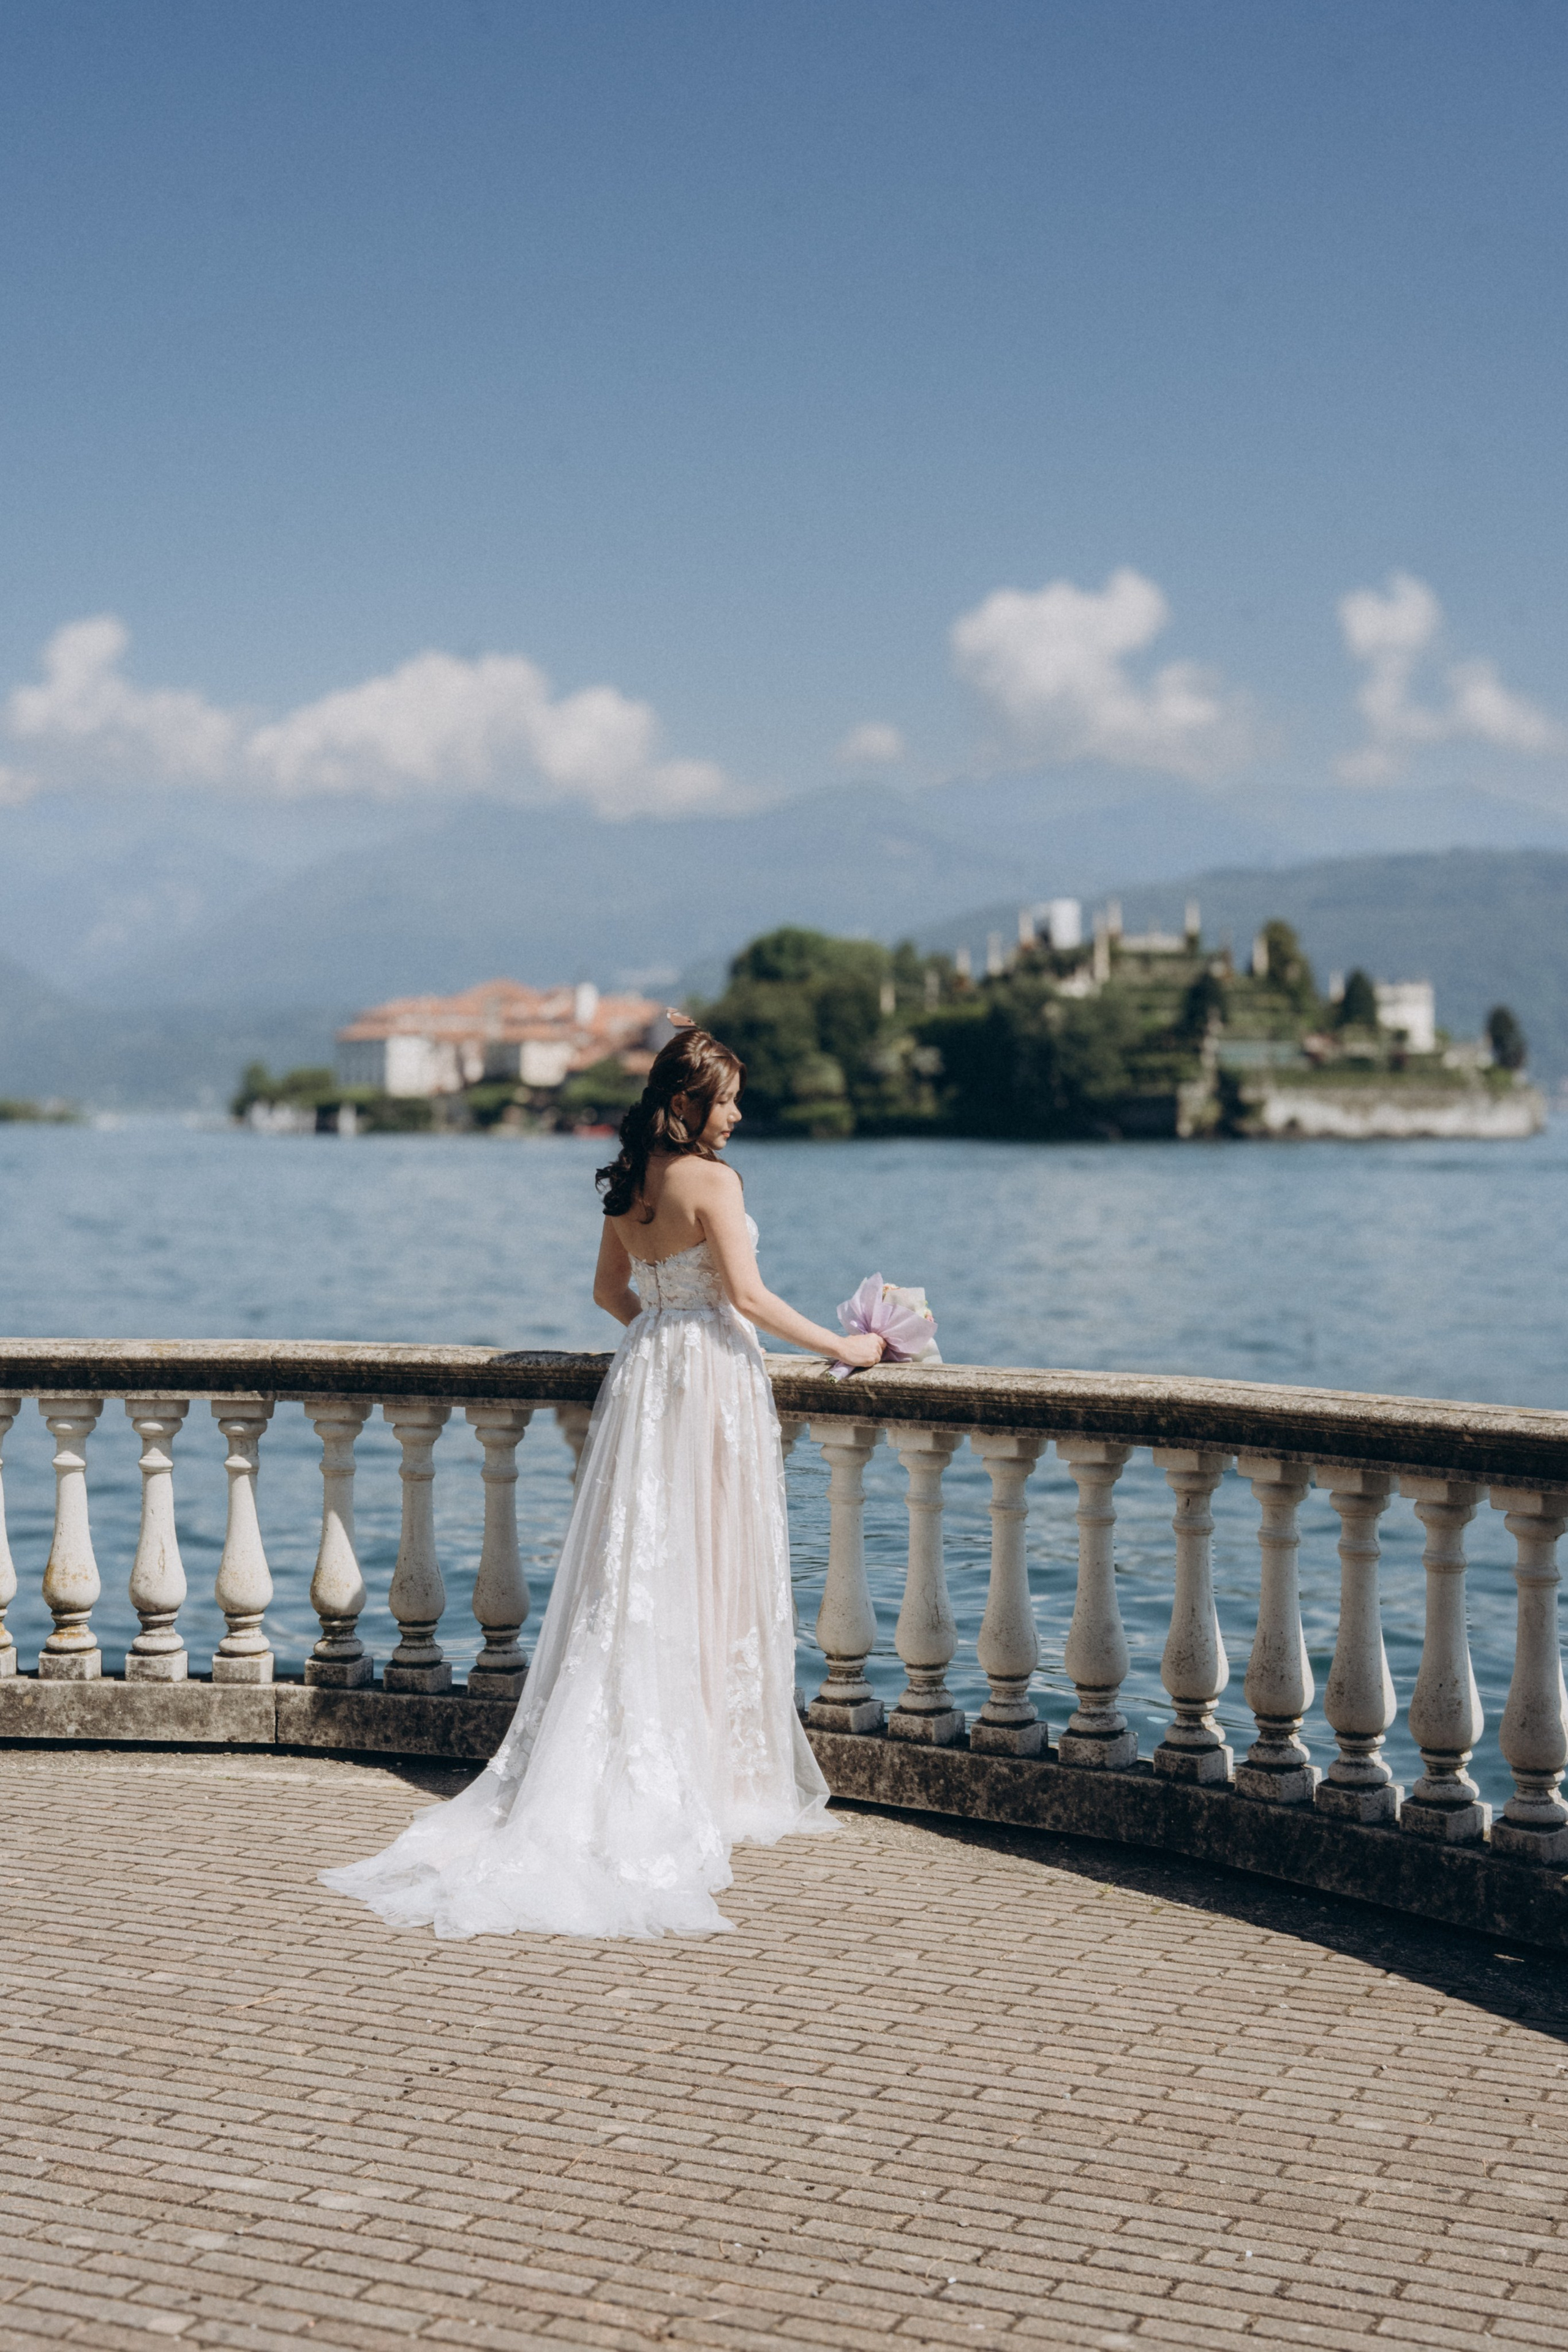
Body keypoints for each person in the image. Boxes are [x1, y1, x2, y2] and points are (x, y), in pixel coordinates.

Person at [320, 1017, 886, 1940]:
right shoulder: (714, 1181)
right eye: (727, 1101)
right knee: (711, 1558)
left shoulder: (631, 1179)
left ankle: (657, 1757)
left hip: (647, 1375)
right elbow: (748, 1297)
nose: (738, 1116)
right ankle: (717, 1772)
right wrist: (843, 1347)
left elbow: (608, 1293)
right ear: (686, 1102)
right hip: (710, 1378)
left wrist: (663, 1327)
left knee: (642, 1567)